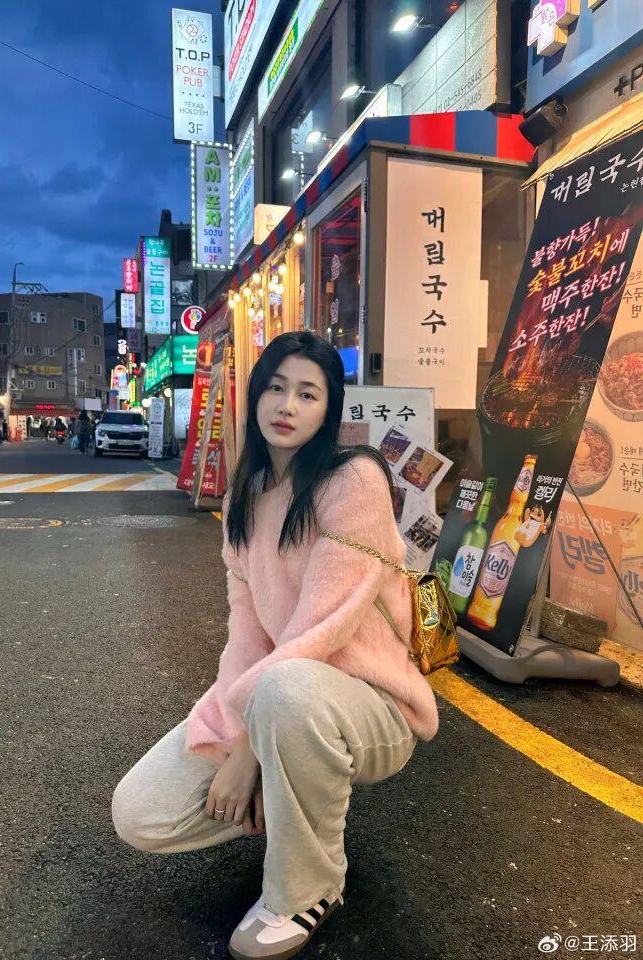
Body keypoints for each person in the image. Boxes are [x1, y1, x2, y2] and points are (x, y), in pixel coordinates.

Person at [112, 331, 439, 960]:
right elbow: (247, 636)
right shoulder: (246, 495)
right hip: (283, 698)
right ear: (256, 395)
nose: (287, 405)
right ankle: (291, 796)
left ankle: (308, 887)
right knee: (141, 813)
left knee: (287, 693)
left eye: (308, 394)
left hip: (374, 704)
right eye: (276, 387)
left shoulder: (354, 481)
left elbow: (322, 628)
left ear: (329, 409)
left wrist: (249, 755)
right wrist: (245, 735)